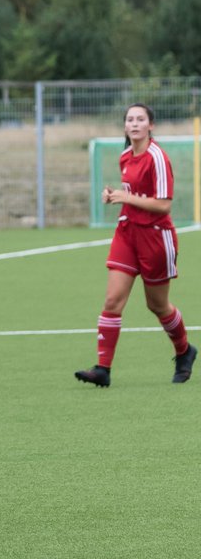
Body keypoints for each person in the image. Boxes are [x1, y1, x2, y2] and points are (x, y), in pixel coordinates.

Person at [76, 102, 196, 388]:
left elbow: (164, 205)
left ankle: (184, 351)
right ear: (125, 126)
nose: (134, 123)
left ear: (150, 126)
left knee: (157, 305)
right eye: (130, 119)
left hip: (156, 237)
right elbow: (131, 194)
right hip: (127, 233)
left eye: (140, 119)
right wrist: (113, 196)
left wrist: (126, 198)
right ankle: (103, 368)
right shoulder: (125, 156)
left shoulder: (157, 157)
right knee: (112, 300)